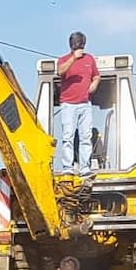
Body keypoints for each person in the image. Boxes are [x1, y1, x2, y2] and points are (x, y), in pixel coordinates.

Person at [55, 32, 100, 175]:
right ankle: (68, 167)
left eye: (81, 43)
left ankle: (84, 167)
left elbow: (96, 75)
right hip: (68, 104)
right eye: (76, 43)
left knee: (86, 136)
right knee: (67, 136)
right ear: (71, 44)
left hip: (85, 103)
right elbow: (60, 71)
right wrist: (74, 58)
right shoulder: (63, 60)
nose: (79, 45)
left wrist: (94, 83)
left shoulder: (90, 59)